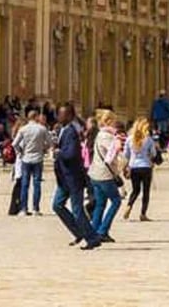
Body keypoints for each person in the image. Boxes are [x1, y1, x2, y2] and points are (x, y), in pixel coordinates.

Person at [51, 104, 98, 250]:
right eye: (58, 114)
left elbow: (71, 154)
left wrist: (59, 153)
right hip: (64, 178)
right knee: (57, 205)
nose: (58, 117)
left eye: (62, 114)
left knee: (77, 210)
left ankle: (92, 237)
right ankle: (79, 232)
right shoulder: (62, 131)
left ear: (70, 116)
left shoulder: (71, 132)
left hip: (73, 178)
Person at [87, 111, 125, 242]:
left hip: (96, 174)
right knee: (116, 201)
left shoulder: (101, 134)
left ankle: (93, 230)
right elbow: (114, 152)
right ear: (109, 122)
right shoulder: (106, 136)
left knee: (100, 204)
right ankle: (103, 230)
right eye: (114, 121)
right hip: (104, 175)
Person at [12, 109, 50, 216]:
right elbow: (50, 142)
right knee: (37, 184)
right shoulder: (42, 129)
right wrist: (44, 149)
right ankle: (35, 209)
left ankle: (23, 208)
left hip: (26, 158)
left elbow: (14, 143)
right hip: (38, 158)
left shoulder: (23, 129)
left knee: (25, 184)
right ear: (36, 117)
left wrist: (20, 152)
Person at [124, 117, 159, 222]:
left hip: (134, 167)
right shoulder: (148, 139)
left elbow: (126, 154)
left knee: (135, 190)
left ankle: (129, 205)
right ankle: (143, 214)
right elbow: (153, 153)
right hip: (146, 167)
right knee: (146, 191)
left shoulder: (130, 139)